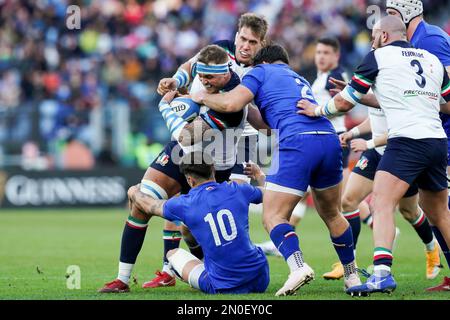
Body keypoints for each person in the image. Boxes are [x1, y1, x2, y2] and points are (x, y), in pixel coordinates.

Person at [192, 44, 363, 296]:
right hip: (328, 138)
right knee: (332, 214)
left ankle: (298, 267)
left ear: (263, 62)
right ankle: (352, 276)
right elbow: (267, 126)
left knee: (273, 216)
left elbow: (230, 103)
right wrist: (246, 110)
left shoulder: (259, 72)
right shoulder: (297, 77)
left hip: (297, 143)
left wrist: (200, 97)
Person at [297, 15, 450, 295]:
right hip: (437, 141)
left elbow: (344, 102)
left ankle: (381, 274)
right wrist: (419, 103)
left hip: (406, 141)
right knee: (440, 213)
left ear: (383, 35)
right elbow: (448, 106)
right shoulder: (431, 59)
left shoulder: (377, 57)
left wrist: (317, 110)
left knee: (381, 202)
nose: (372, 39)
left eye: (374, 34)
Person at [98, 45, 250, 293]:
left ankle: (188, 267)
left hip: (211, 164)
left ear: (225, 74)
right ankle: (122, 280)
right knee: (139, 203)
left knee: (190, 228)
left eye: (209, 78)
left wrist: (165, 107)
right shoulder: (204, 68)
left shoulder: (234, 102)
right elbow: (189, 66)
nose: (203, 81)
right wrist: (175, 81)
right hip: (180, 154)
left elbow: (186, 135)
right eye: (201, 77)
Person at [147, 13, 269, 288]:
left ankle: (236, 265)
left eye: (253, 41)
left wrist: (203, 98)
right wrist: (177, 82)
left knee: (234, 211)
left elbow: (256, 119)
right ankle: (169, 270)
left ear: (262, 44)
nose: (246, 45)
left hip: (241, 144)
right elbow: (190, 65)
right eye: (243, 38)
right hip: (208, 136)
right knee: (185, 203)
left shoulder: (263, 68)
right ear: (236, 35)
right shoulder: (221, 50)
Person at [127, 151, 270, 294]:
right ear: (213, 169)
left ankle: (200, 266)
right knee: (185, 228)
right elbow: (272, 195)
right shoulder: (238, 189)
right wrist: (259, 175)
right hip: (261, 278)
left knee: (172, 254)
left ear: (190, 180)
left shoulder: (184, 204)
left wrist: (133, 191)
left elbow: (149, 205)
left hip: (224, 286)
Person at [386, 0, 450, 292]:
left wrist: (411, 97)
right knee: (430, 206)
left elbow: (446, 97)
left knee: (440, 209)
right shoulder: (417, 40)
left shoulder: (431, 39)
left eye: (390, 14)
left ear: (405, 13)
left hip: (442, 132)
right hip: (434, 132)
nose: (385, 20)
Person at [338, 107, 441, 281]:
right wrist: (352, 132)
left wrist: (368, 143)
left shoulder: (396, 86)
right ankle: (349, 265)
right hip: (376, 154)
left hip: (400, 155)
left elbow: (402, 129)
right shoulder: (376, 84)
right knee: (348, 201)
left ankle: (432, 248)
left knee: (409, 211)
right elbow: (375, 117)